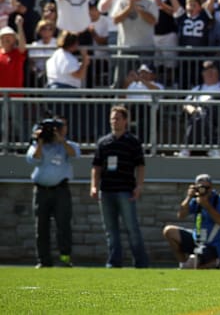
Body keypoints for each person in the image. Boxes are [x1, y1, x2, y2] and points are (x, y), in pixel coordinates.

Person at [90, 106, 149, 268]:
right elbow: (96, 167)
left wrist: (139, 186)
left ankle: (141, 262)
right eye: (112, 118)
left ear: (125, 121)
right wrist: (94, 187)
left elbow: (140, 166)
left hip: (125, 190)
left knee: (132, 227)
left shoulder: (132, 142)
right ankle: (114, 261)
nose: (114, 122)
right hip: (107, 190)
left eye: (117, 118)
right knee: (111, 230)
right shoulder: (103, 142)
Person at [26, 115, 79, 268]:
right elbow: (33, 159)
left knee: (63, 226)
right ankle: (43, 260)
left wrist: (61, 141)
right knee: (41, 227)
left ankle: (65, 259)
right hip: (41, 190)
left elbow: (74, 155)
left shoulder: (68, 145)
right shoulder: (37, 145)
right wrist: (40, 143)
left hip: (60, 190)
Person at [162, 174, 220, 269]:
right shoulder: (196, 200)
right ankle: (183, 263)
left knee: (193, 262)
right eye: (200, 187)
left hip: (213, 244)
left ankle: (215, 262)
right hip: (197, 240)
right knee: (169, 231)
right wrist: (189, 197)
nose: (204, 190)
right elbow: (181, 215)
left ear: (211, 188)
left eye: (206, 187)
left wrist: (206, 205)